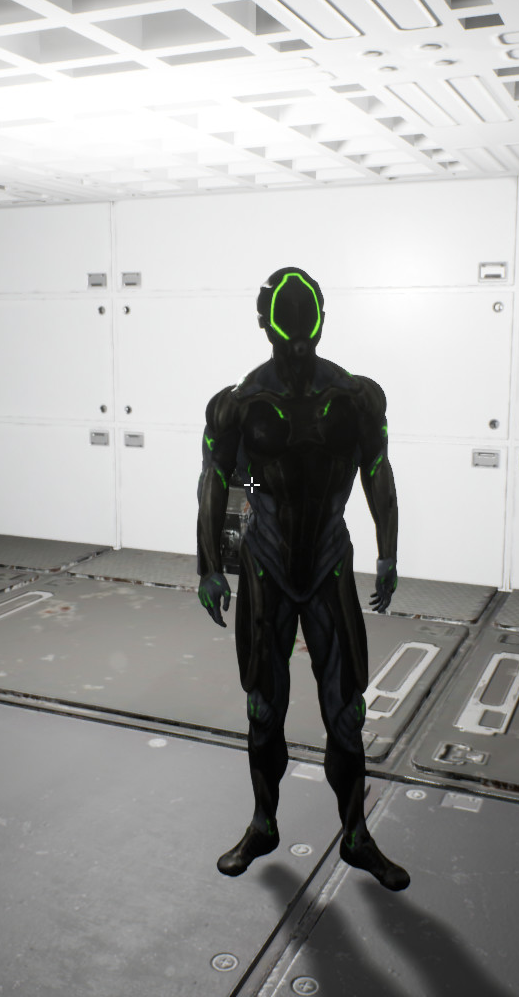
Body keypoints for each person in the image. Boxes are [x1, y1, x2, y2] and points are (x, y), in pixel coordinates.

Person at [194, 266, 409, 891]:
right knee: (264, 707)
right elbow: (223, 482)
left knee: (346, 711)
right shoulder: (239, 403)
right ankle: (263, 823)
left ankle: (356, 835)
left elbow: (377, 471)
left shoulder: (355, 397)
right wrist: (212, 564)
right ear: (265, 323)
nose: (294, 337)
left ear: (319, 321)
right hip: (266, 563)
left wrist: (388, 554)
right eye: (284, 322)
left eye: (302, 321)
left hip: (328, 563)